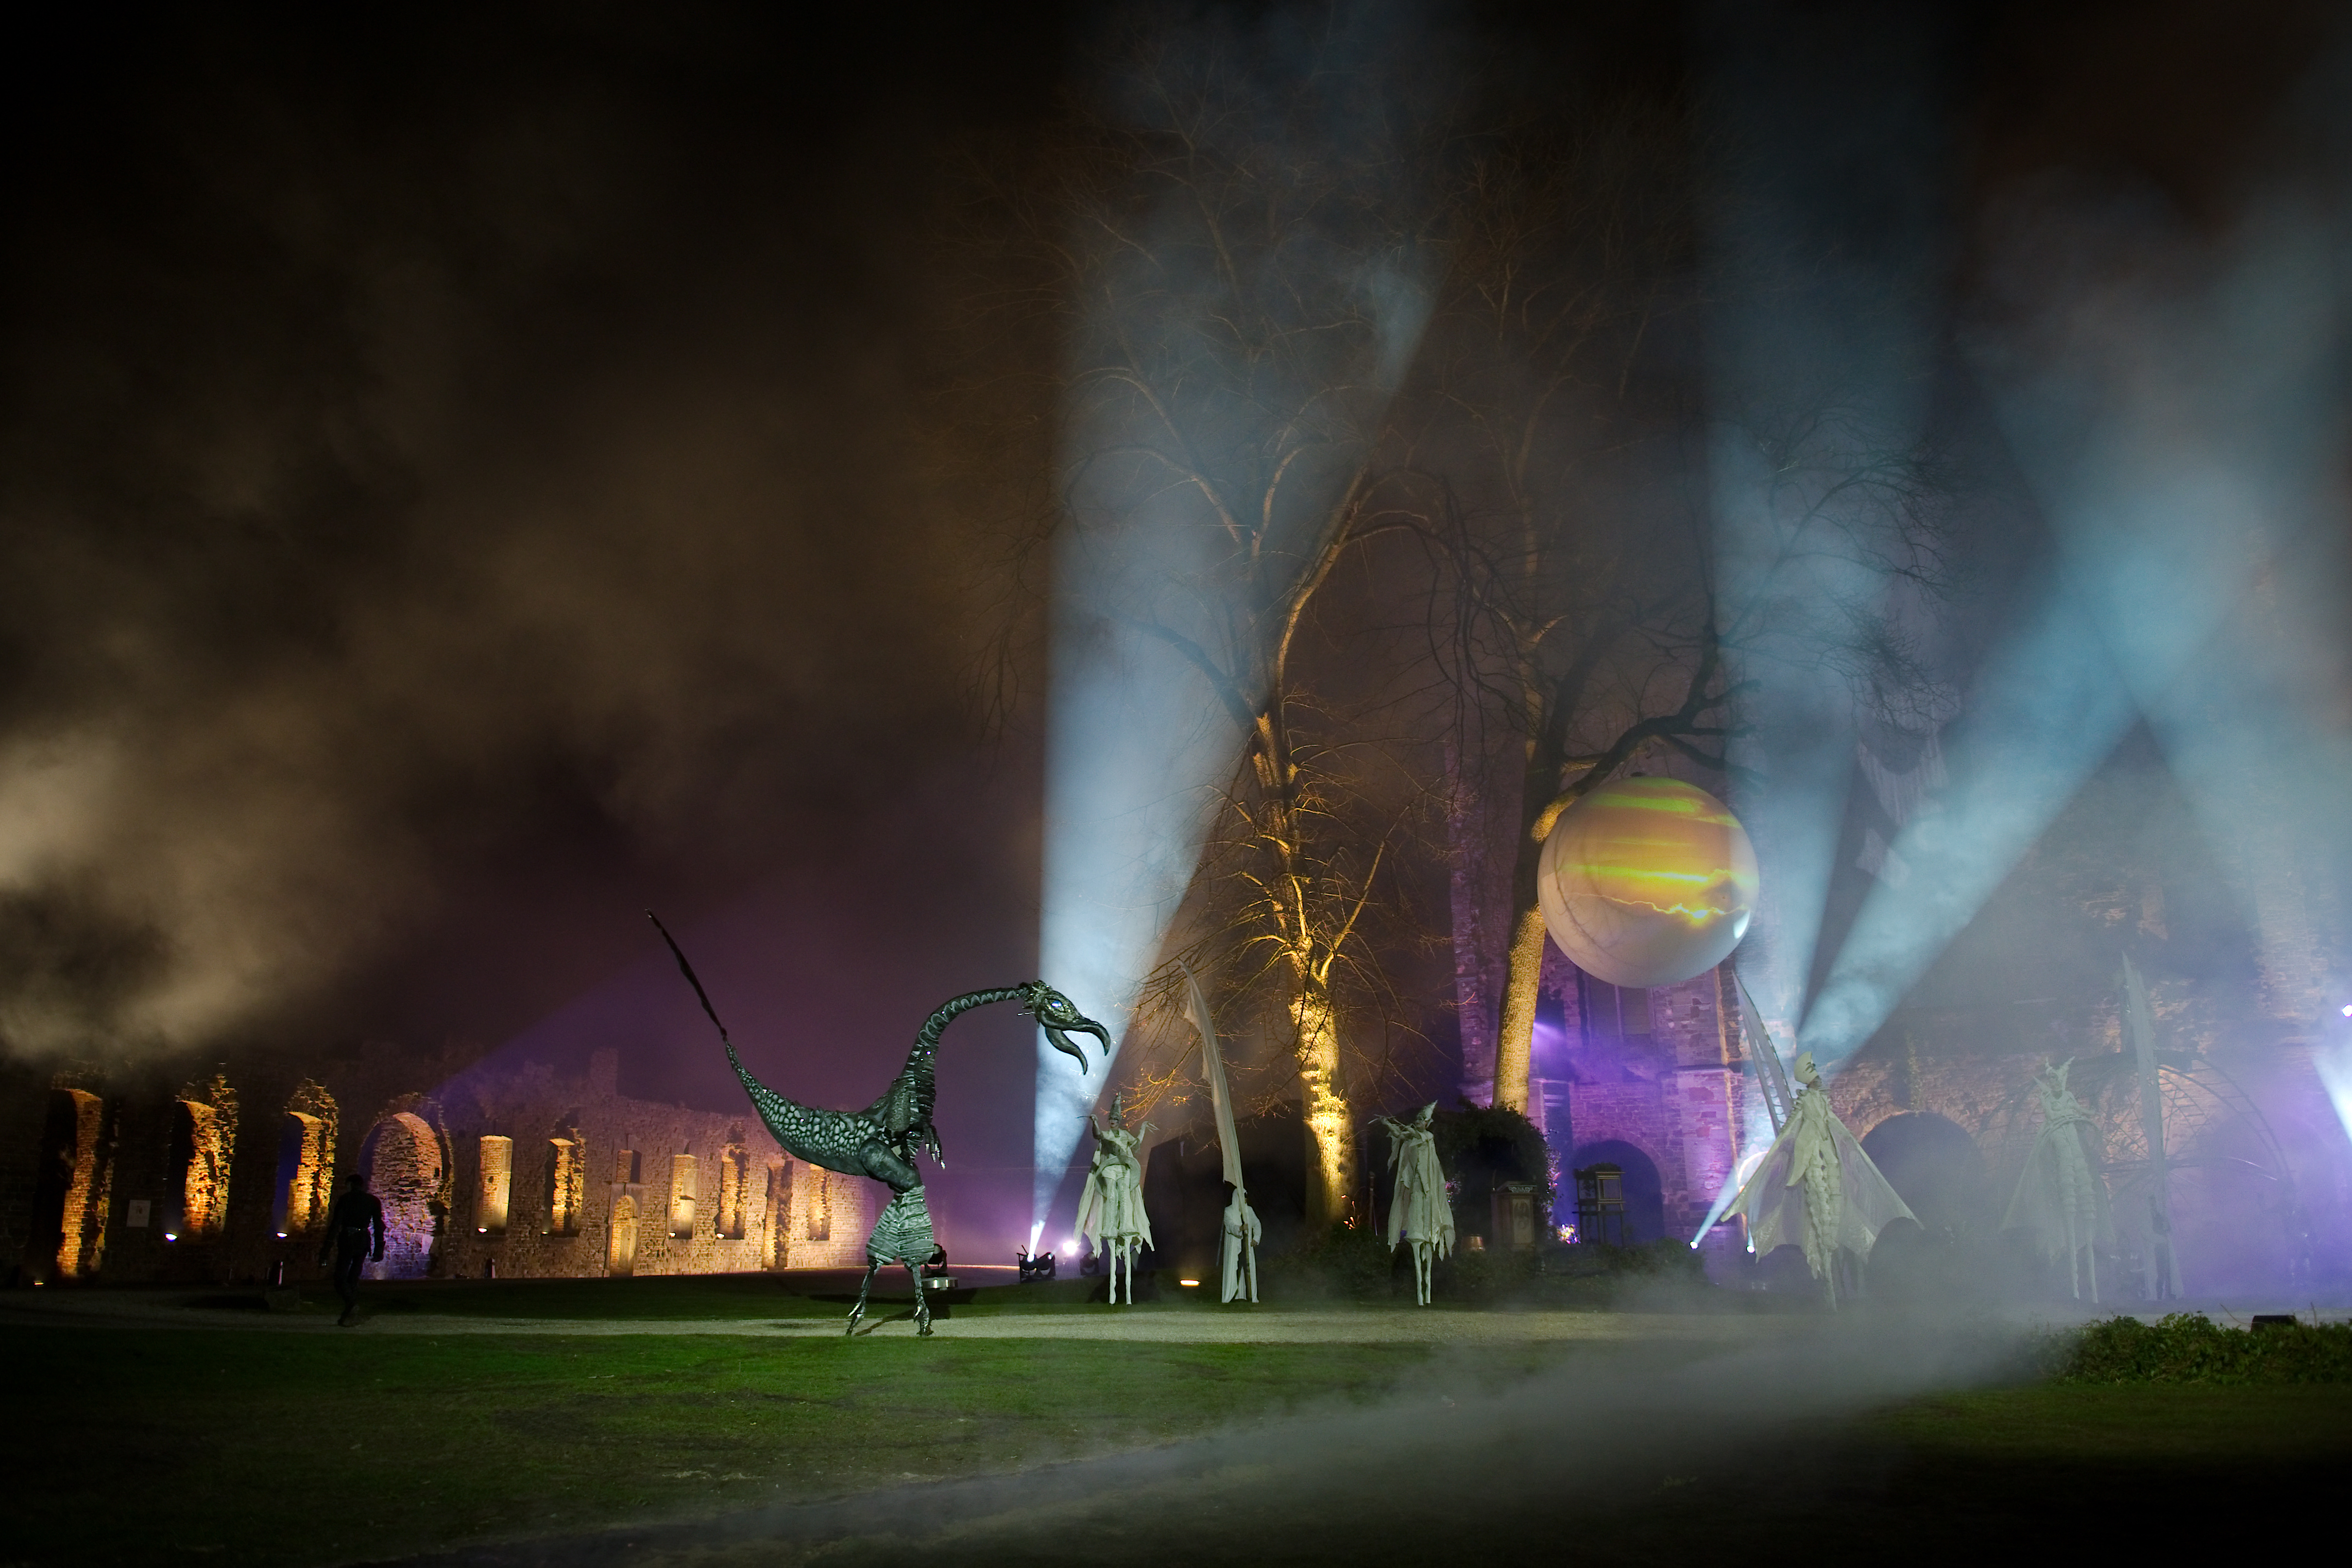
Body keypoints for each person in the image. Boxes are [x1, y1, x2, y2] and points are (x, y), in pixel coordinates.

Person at [317, 1174, 385, 1326]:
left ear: (350, 1185)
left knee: (340, 1278)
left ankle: (352, 1306)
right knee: (353, 1278)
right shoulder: (372, 1201)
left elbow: (335, 1225)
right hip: (362, 1241)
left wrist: (325, 1251)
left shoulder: (345, 1200)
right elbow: (378, 1226)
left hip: (348, 1240)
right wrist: (379, 1248)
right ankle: (351, 1312)